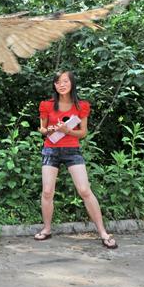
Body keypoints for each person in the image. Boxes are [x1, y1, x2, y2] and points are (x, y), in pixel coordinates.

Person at [35, 71, 117, 249]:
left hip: (72, 150)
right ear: (54, 86)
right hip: (50, 149)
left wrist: (68, 131)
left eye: (65, 81)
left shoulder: (81, 106)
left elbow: (83, 132)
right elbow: (41, 129)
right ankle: (47, 229)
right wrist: (49, 129)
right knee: (47, 192)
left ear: (72, 83)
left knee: (84, 190)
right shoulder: (47, 105)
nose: (61, 85)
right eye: (57, 82)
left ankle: (103, 232)